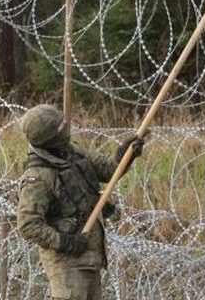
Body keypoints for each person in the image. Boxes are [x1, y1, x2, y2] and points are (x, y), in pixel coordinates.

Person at [16, 104, 144, 300]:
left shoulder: (73, 152)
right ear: (48, 137)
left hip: (91, 254)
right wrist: (65, 242)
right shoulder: (38, 177)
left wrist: (125, 156)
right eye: (60, 127)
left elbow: (109, 170)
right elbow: (28, 225)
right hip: (66, 264)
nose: (65, 128)